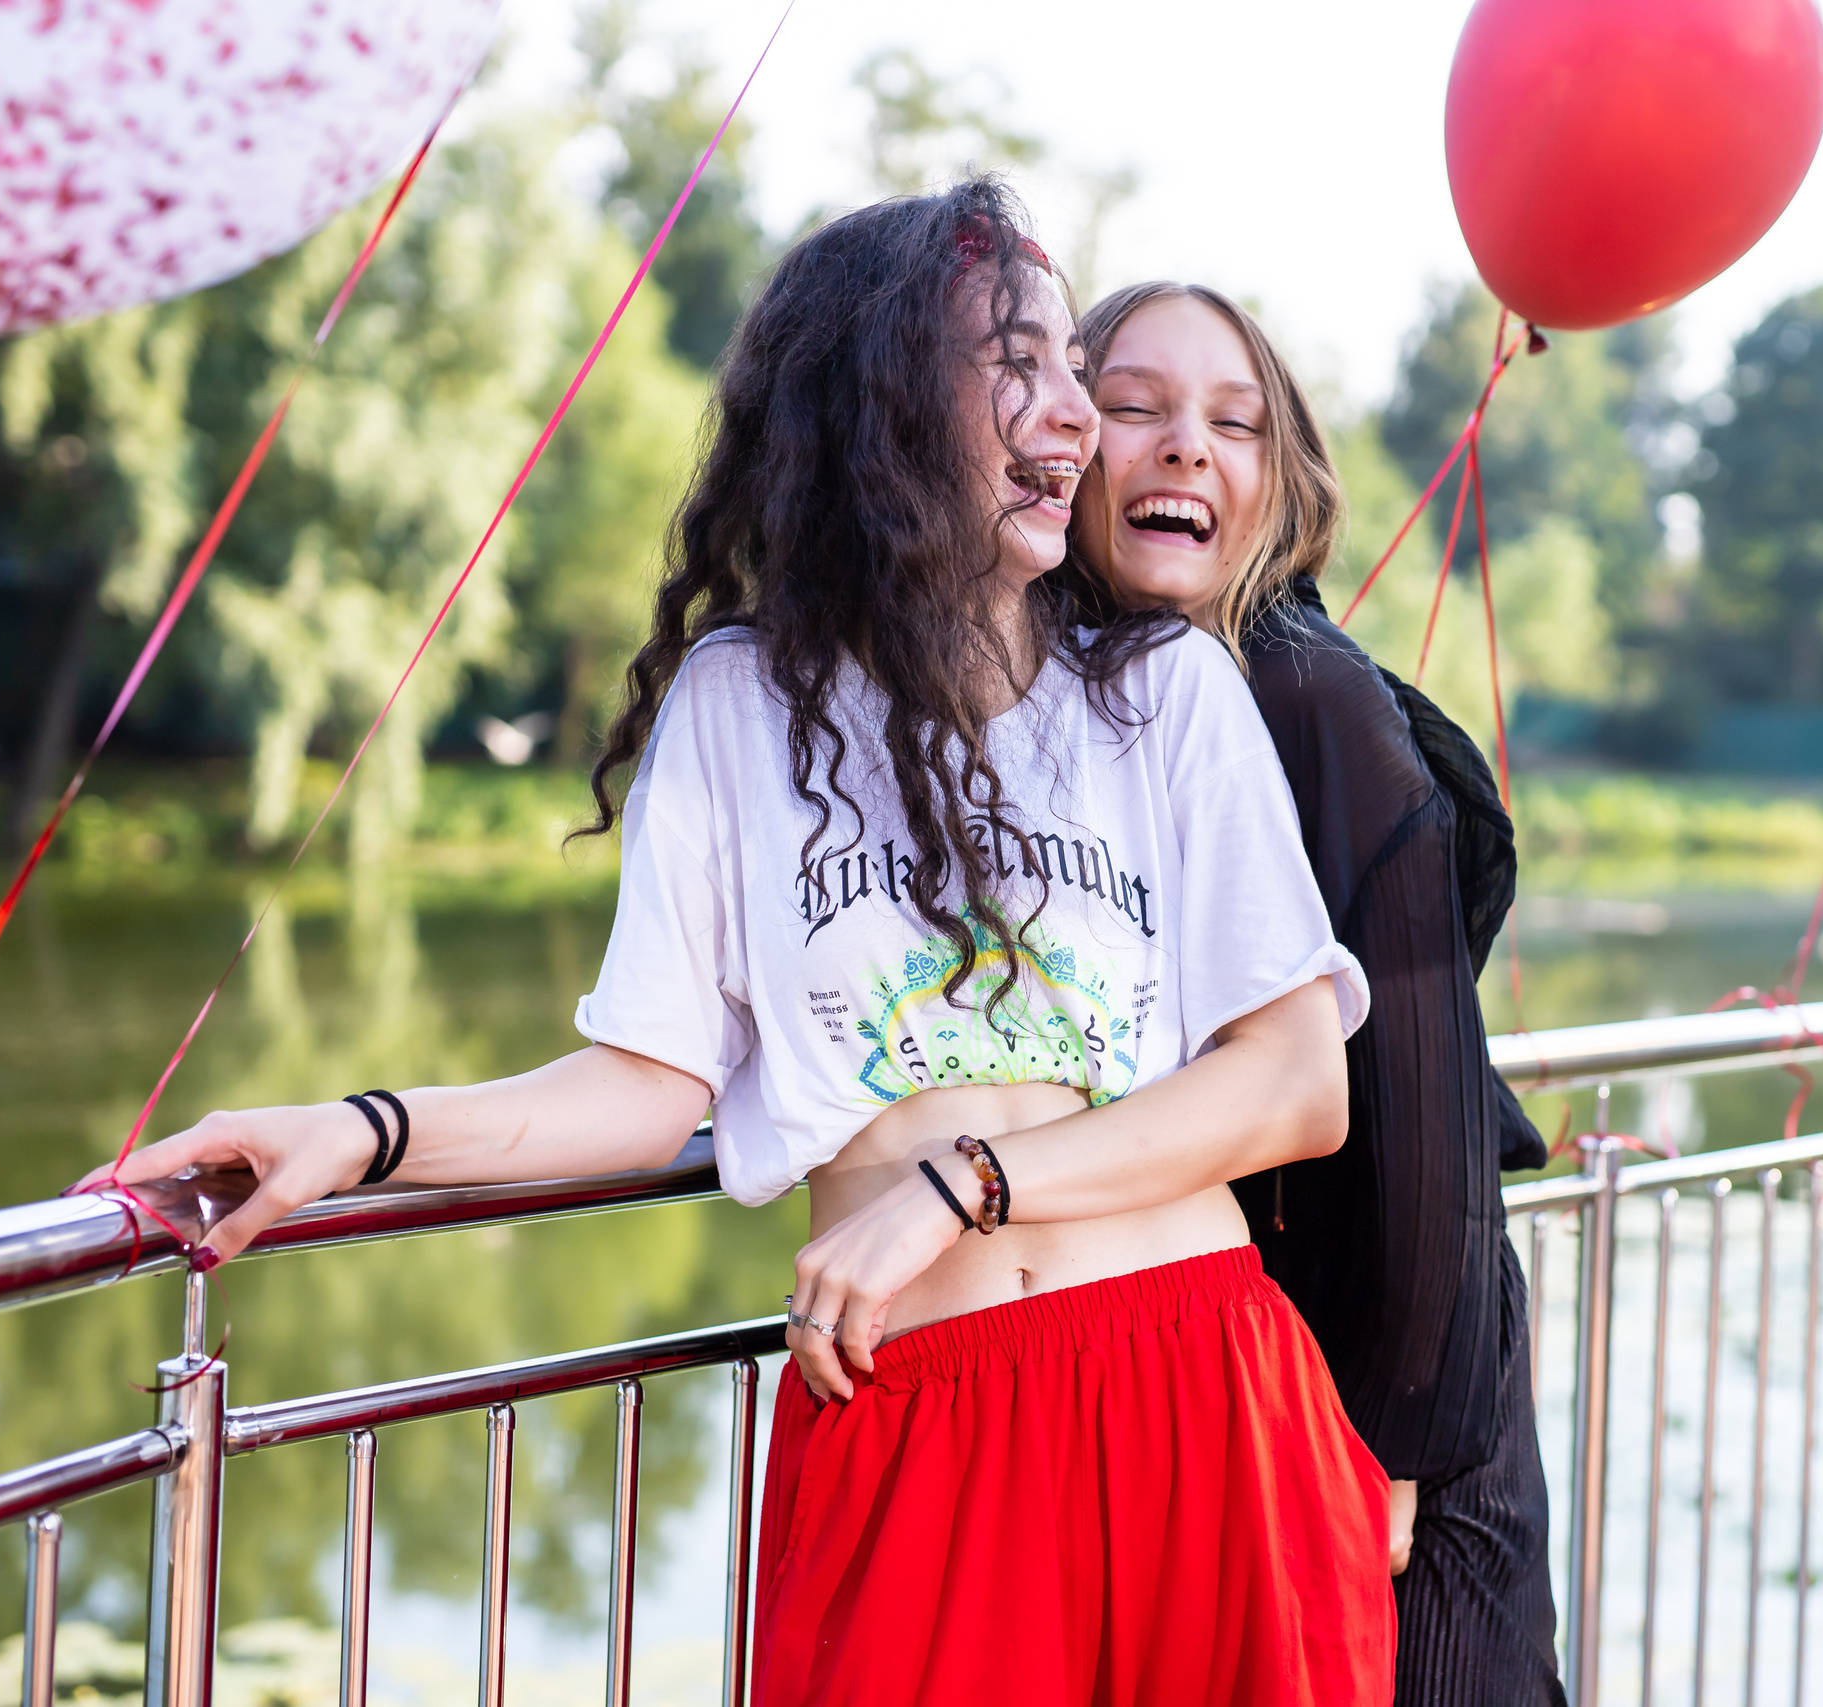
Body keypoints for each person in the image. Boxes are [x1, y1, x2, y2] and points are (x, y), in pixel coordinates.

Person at [78, 184, 1397, 1706]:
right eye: (1017, 367)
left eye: (1071, 375)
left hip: (1195, 1393)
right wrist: (362, 1131)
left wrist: (961, 1190)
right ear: (885, 406)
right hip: (919, 1423)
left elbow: (1298, 1084)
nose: (1075, 420)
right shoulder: (739, 705)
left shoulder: (1160, 692)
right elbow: (642, 1088)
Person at [1063, 281, 1563, 1707]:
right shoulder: (1086, 697)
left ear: (1277, 484)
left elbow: (1423, 1132)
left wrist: (1390, 1456)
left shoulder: (1310, 699)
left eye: (1234, 423)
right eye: (1134, 407)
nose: (1183, 449)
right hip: (1209, 1379)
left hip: (1389, 1414)